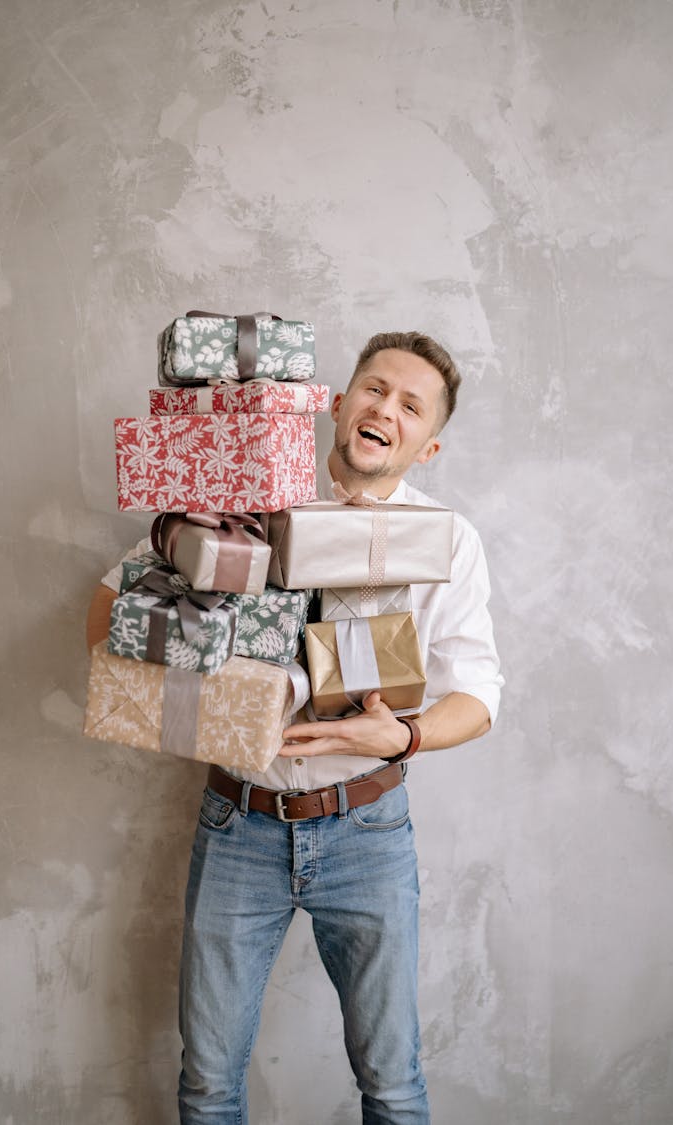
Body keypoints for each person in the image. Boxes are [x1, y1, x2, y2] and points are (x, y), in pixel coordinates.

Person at [86, 330, 503, 1124]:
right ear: (339, 403)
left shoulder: (447, 540)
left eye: (411, 405)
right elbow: (111, 608)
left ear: (430, 442)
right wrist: (183, 679)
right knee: (207, 1081)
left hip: (368, 827)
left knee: (393, 1081)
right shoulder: (248, 493)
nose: (386, 408)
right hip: (239, 818)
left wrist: (400, 737)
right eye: (374, 389)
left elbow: (479, 695)